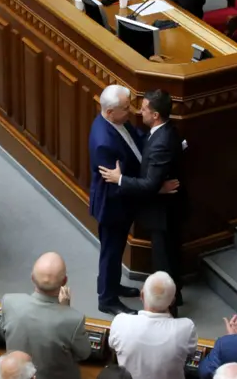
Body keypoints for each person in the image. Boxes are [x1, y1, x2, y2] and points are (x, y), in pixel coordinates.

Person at [89, 85, 178, 316]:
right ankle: (107, 298)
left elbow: (138, 139)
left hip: (125, 201)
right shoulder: (103, 142)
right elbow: (114, 184)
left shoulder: (119, 120)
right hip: (113, 204)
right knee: (111, 251)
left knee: (116, 249)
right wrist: (155, 188)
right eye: (126, 109)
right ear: (110, 113)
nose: (133, 112)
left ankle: (113, 285)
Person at [0, 252, 91, 379]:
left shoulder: (9, 302)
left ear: (32, 277)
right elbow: (84, 353)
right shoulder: (74, 320)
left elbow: (3, 333)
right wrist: (65, 310)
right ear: (64, 281)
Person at [108, 271, 197, 379]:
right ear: (173, 301)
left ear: (141, 295)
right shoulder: (186, 328)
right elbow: (189, 355)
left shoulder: (120, 322)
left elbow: (112, 347)